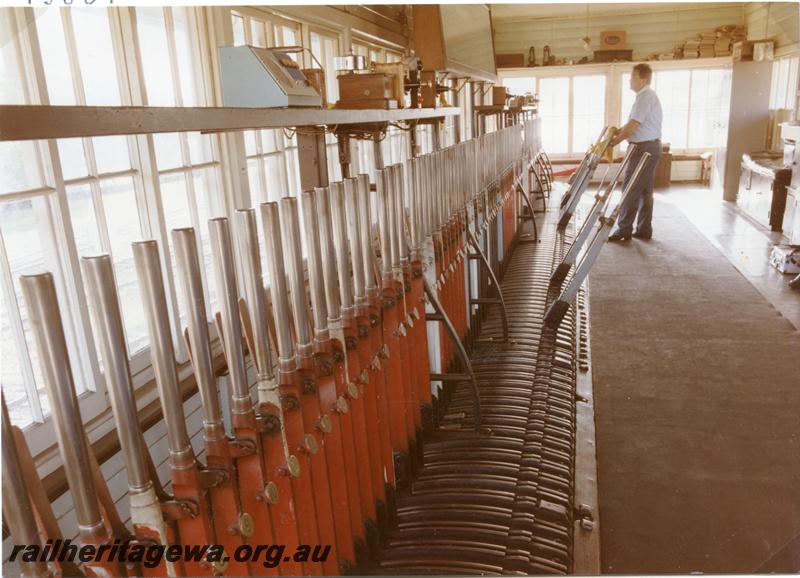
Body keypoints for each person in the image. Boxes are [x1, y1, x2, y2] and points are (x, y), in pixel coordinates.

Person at [609, 63, 663, 241]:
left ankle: (624, 230)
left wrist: (613, 142)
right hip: (650, 147)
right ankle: (644, 229)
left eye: (632, 77)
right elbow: (632, 123)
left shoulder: (645, 97)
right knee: (645, 192)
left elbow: (633, 125)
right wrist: (618, 131)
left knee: (630, 189)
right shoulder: (645, 96)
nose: (629, 81)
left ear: (643, 79)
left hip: (644, 149)